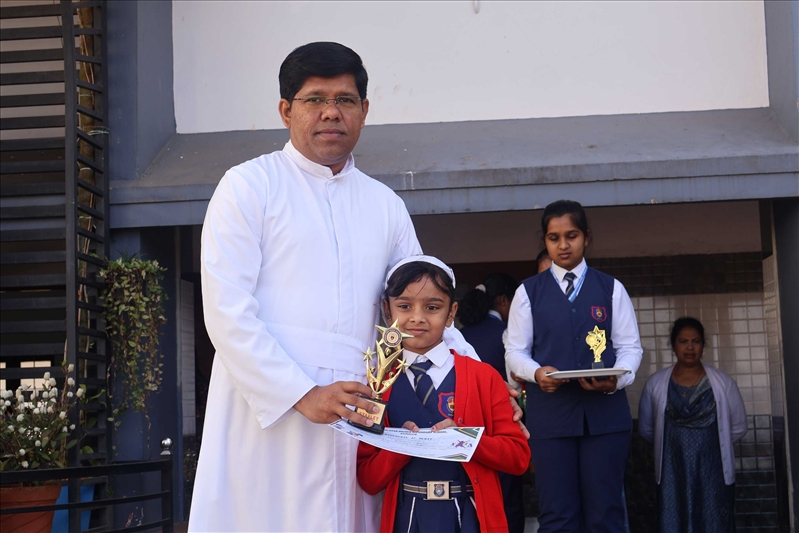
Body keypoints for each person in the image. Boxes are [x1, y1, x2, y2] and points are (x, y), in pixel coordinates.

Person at [189, 42, 494, 532]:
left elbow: (422, 310)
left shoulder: (384, 205)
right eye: (315, 99)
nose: (331, 112)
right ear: (286, 110)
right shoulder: (248, 187)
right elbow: (226, 311)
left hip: (360, 411)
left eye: (345, 100)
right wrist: (301, 393)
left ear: (364, 111)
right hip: (268, 413)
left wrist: (486, 388)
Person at [357, 256, 530, 532]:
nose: (417, 317)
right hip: (408, 518)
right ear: (388, 311)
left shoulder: (484, 377)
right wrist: (401, 448)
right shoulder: (377, 383)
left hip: (470, 517)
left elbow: (518, 457)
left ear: (451, 313)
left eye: (432, 307)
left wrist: (463, 440)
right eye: (404, 306)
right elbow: (367, 477)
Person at [505, 199, 643, 533]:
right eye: (554, 238)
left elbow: (630, 348)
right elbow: (515, 352)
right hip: (551, 418)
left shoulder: (611, 289)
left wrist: (617, 379)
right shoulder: (528, 292)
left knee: (605, 514)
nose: (563, 245)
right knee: (557, 516)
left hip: (606, 417)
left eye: (572, 236)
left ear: (587, 237)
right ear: (545, 241)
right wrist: (536, 373)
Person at [638, 317, 746, 532]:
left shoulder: (723, 383)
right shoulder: (655, 383)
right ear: (673, 345)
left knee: (713, 522)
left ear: (703, 346)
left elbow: (738, 427)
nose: (690, 347)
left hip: (713, 473)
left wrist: (708, 447)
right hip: (672, 472)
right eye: (683, 341)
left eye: (695, 341)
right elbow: (647, 429)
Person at [457, 273, 526, 533]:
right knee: (508, 498)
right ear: (503, 301)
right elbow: (516, 381)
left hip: (463, 427)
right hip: (499, 429)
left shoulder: (459, 337)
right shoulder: (507, 334)